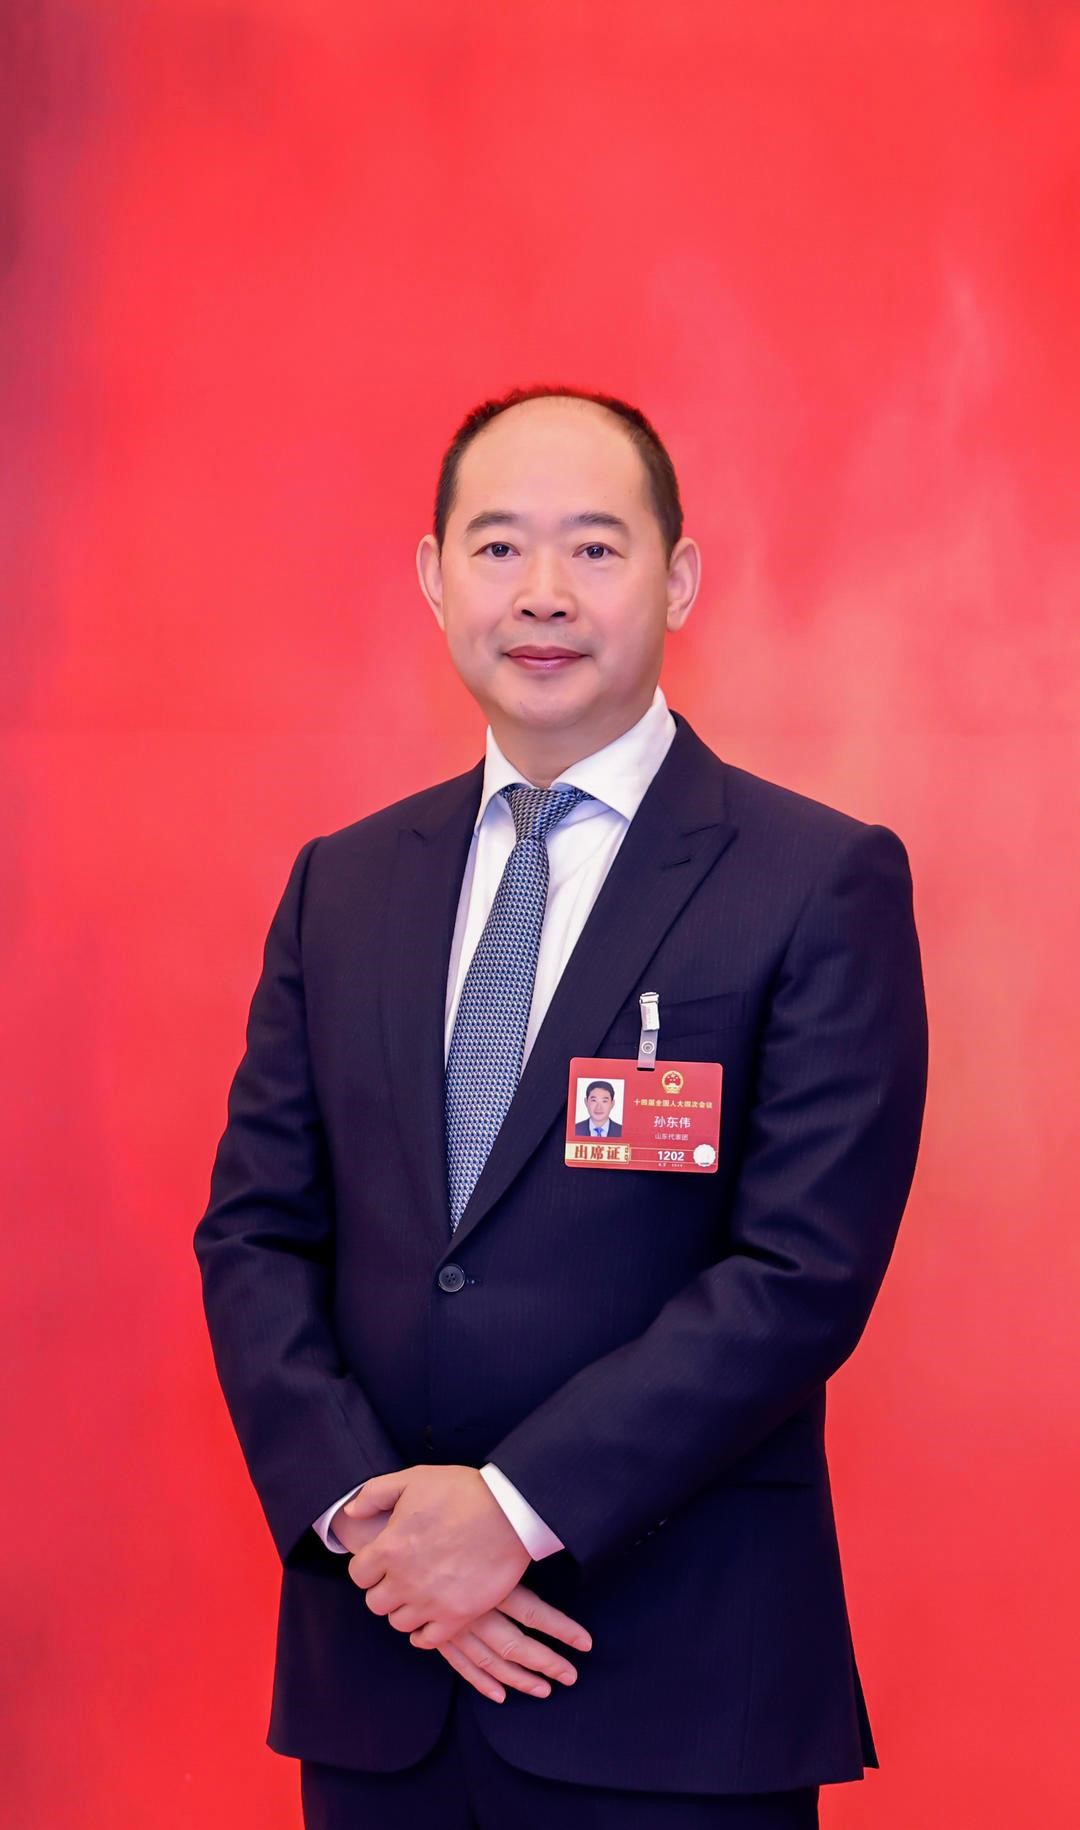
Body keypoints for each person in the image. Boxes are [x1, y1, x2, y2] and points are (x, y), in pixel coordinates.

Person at [194, 385, 928, 1828]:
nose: (543, 593)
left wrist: (509, 1513)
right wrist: (377, 1530)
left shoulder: (814, 879)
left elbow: (802, 1274)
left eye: (595, 548)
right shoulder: (344, 882)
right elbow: (255, 1233)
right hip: (384, 1671)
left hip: (672, 1687)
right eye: (498, 547)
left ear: (680, 578)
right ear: (434, 576)